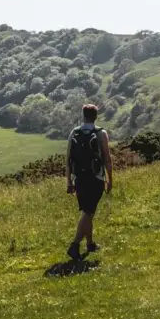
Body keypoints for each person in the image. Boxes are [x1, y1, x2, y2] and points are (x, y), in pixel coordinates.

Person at [65, 104, 113, 261]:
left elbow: (68, 160)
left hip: (79, 179)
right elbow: (107, 158)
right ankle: (75, 245)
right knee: (88, 212)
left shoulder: (74, 132)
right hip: (96, 178)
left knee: (88, 211)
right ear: (96, 116)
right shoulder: (101, 133)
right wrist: (109, 178)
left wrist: (69, 182)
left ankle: (90, 244)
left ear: (83, 115)